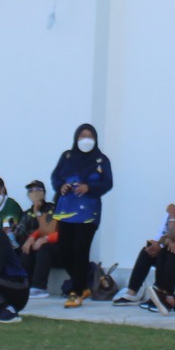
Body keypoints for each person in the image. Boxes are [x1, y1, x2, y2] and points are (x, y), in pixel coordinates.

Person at [51, 122, 113, 307]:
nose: (86, 140)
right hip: (66, 209)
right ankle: (83, 283)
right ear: (76, 138)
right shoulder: (67, 156)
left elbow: (108, 183)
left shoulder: (101, 160)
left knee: (80, 249)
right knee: (64, 250)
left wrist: (89, 187)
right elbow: (56, 177)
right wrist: (61, 186)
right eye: (82, 136)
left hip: (88, 211)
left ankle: (76, 292)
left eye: (90, 136)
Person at [113, 178, 175, 305]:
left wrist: (166, 242)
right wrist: (156, 244)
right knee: (148, 250)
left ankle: (164, 295)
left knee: (171, 251)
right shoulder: (173, 212)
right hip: (170, 254)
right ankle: (132, 293)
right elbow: (161, 234)